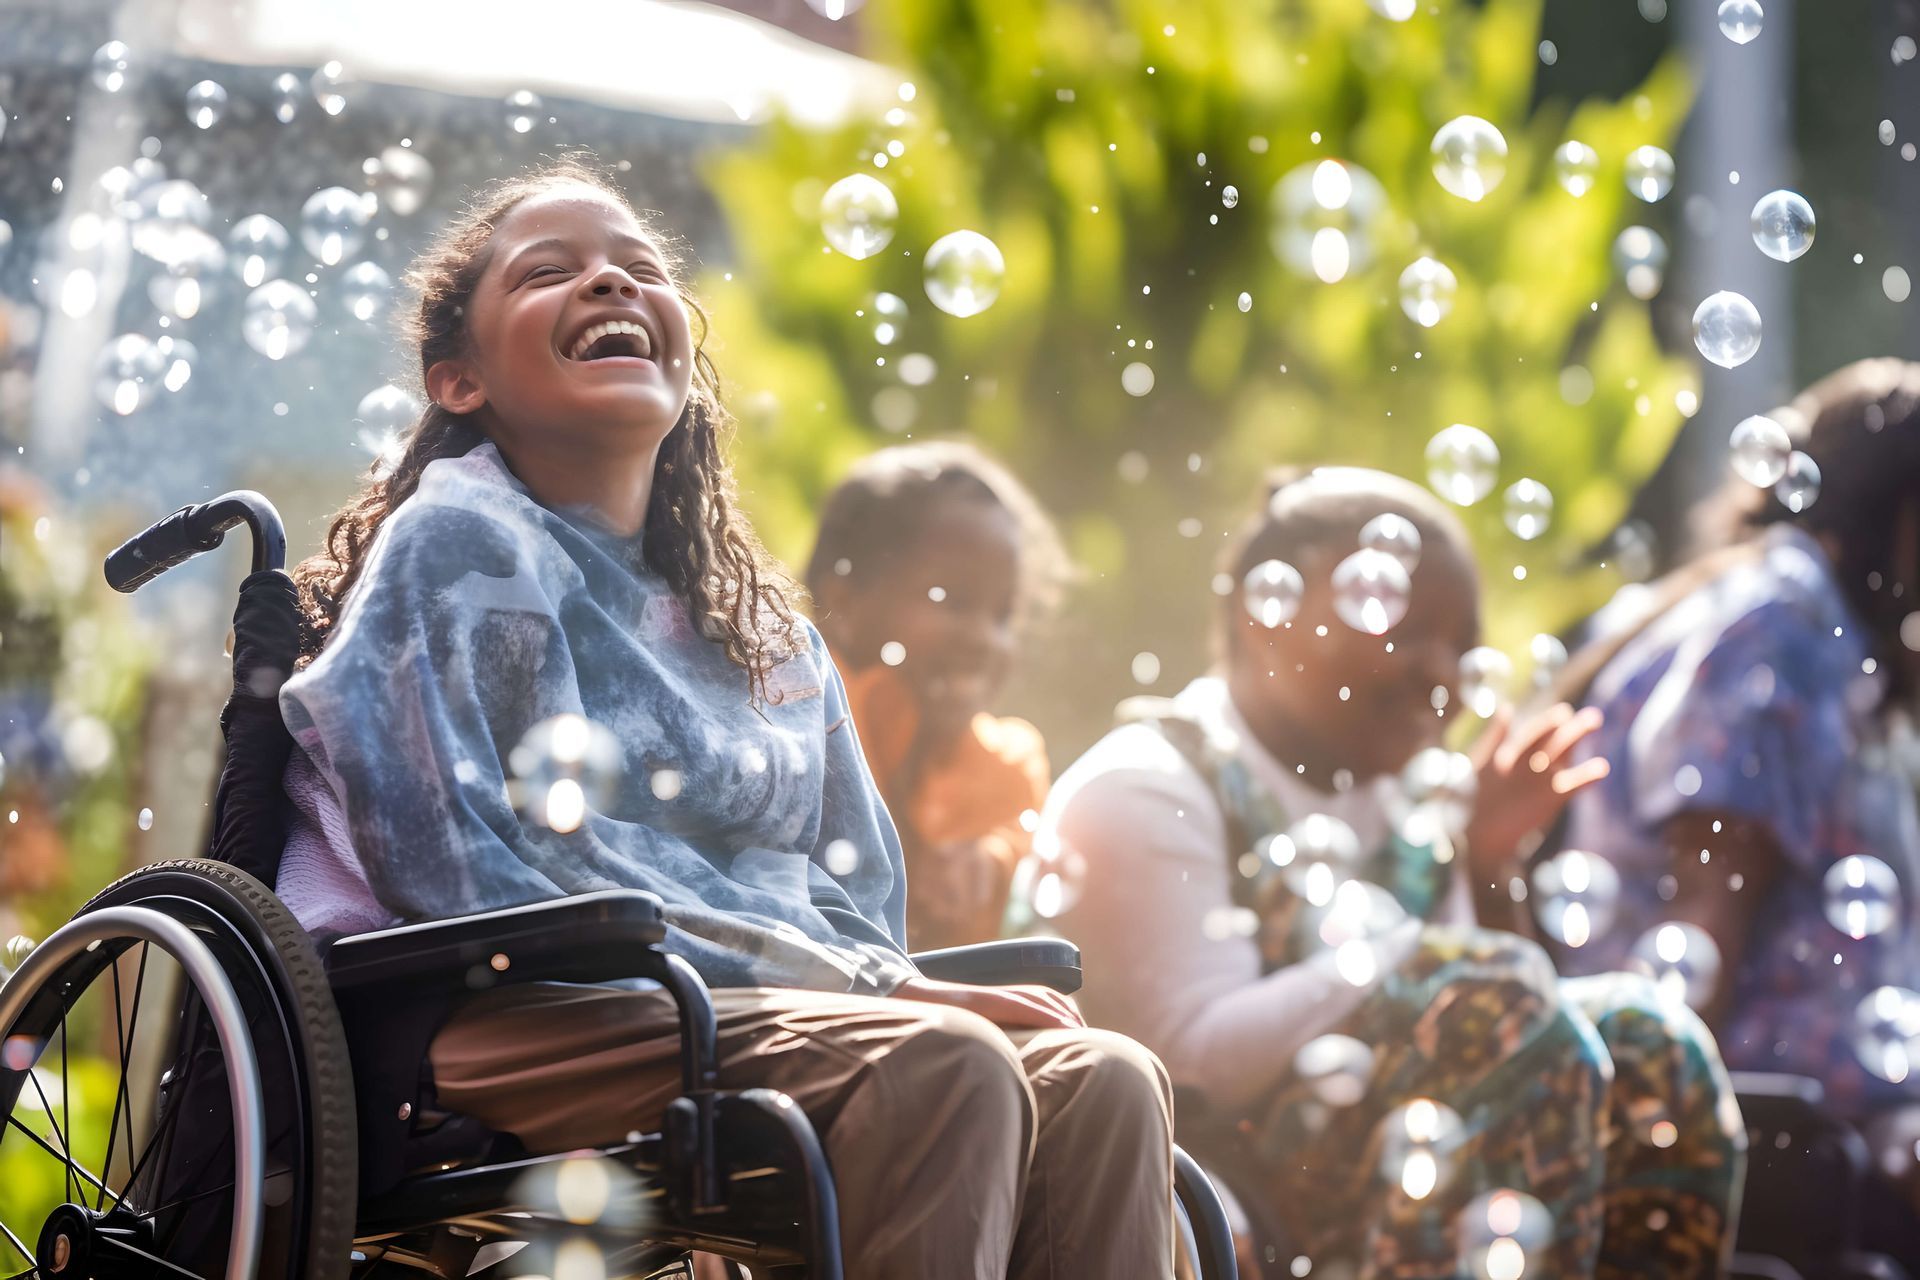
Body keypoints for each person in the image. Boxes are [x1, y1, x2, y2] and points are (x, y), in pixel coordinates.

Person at [274, 156, 1177, 1278]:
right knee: (945, 1063)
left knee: (1106, 1080)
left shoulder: (758, 630)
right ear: (460, 379)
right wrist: (870, 989)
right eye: (551, 273)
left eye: (639, 269)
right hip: (509, 1002)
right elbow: (446, 861)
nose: (609, 284)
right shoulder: (464, 546)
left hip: (726, 1004)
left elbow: (854, 887)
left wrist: (875, 976)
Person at [1040, 466, 1745, 1279]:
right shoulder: (1146, 784)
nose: (1441, 673)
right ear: (1266, 618)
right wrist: (1400, 954)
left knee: (1650, 1040)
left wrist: (1490, 867)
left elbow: (1524, 1037)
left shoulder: (1411, 802)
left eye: (1463, 646)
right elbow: (1195, 1061)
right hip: (1194, 1173)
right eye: (1406, 630)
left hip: (1387, 1161)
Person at [1547, 358, 1920, 1212]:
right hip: (1779, 1150)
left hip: (1826, 1139)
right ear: (1893, 508)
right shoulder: (1777, 634)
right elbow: (1700, 931)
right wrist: (1659, 1190)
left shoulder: (1786, 615)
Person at [805, 441, 1069, 950]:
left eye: (1003, 614)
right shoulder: (795, 726)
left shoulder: (1003, 768)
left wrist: (996, 863)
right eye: (949, 599)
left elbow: (1026, 859)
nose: (984, 638)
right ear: (844, 602)